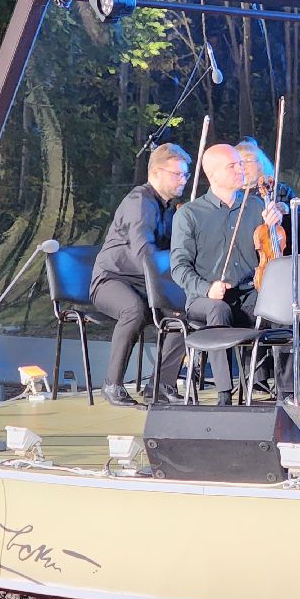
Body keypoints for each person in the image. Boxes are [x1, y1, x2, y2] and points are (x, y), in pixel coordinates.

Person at [170, 144, 284, 404]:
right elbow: (179, 266)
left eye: (240, 164)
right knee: (218, 309)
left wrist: (276, 221)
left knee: (281, 310)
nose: (240, 169)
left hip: (248, 291)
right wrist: (206, 288)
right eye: (232, 166)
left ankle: (286, 390)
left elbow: (273, 253)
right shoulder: (190, 214)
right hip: (206, 298)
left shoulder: (256, 207)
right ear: (213, 174)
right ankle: (224, 393)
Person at [90, 143, 190, 406]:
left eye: (185, 175)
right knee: (134, 310)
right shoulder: (140, 202)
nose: (183, 180)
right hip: (112, 279)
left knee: (185, 313)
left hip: (147, 282)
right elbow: (144, 252)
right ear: (156, 173)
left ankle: (160, 384)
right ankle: (112, 384)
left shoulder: (171, 207)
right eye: (177, 174)